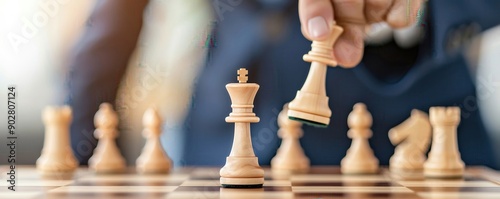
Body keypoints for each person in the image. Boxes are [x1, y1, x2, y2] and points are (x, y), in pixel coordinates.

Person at [67, 0, 500, 169]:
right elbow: (114, 21)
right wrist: (76, 158)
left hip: (408, 146)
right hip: (217, 150)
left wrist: (412, 8)